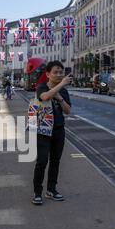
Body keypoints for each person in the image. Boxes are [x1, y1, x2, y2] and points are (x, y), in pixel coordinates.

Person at [32, 61, 73, 206]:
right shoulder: (42, 86)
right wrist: (61, 85)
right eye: (55, 72)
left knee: (55, 162)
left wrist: (60, 97)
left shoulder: (63, 91)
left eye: (61, 72)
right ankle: (37, 192)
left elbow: (67, 110)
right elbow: (44, 97)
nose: (59, 75)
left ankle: (51, 189)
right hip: (44, 130)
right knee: (42, 161)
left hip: (58, 130)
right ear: (48, 74)